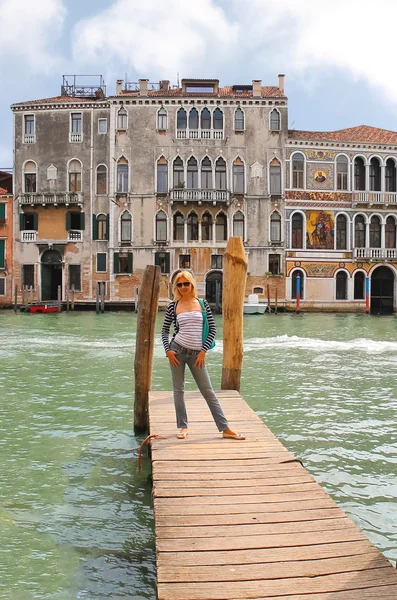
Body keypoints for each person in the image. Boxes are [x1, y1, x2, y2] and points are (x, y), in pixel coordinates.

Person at [161, 270, 245, 440]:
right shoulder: (173, 306)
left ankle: (225, 428)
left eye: (186, 283)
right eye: (179, 284)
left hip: (197, 354)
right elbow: (164, 330)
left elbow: (212, 330)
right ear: (176, 287)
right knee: (179, 391)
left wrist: (203, 351)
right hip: (176, 351)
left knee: (208, 391)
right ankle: (183, 427)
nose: (183, 287)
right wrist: (168, 350)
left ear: (192, 284)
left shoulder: (202, 303)